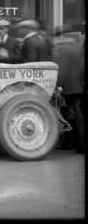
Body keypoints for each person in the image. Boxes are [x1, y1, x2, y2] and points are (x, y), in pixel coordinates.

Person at [50, 25, 85, 154]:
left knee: (75, 116)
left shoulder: (61, 50)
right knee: (75, 115)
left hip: (69, 88)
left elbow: (61, 70)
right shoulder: (74, 49)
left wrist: (57, 86)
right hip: (77, 87)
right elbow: (81, 68)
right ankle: (73, 143)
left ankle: (79, 145)